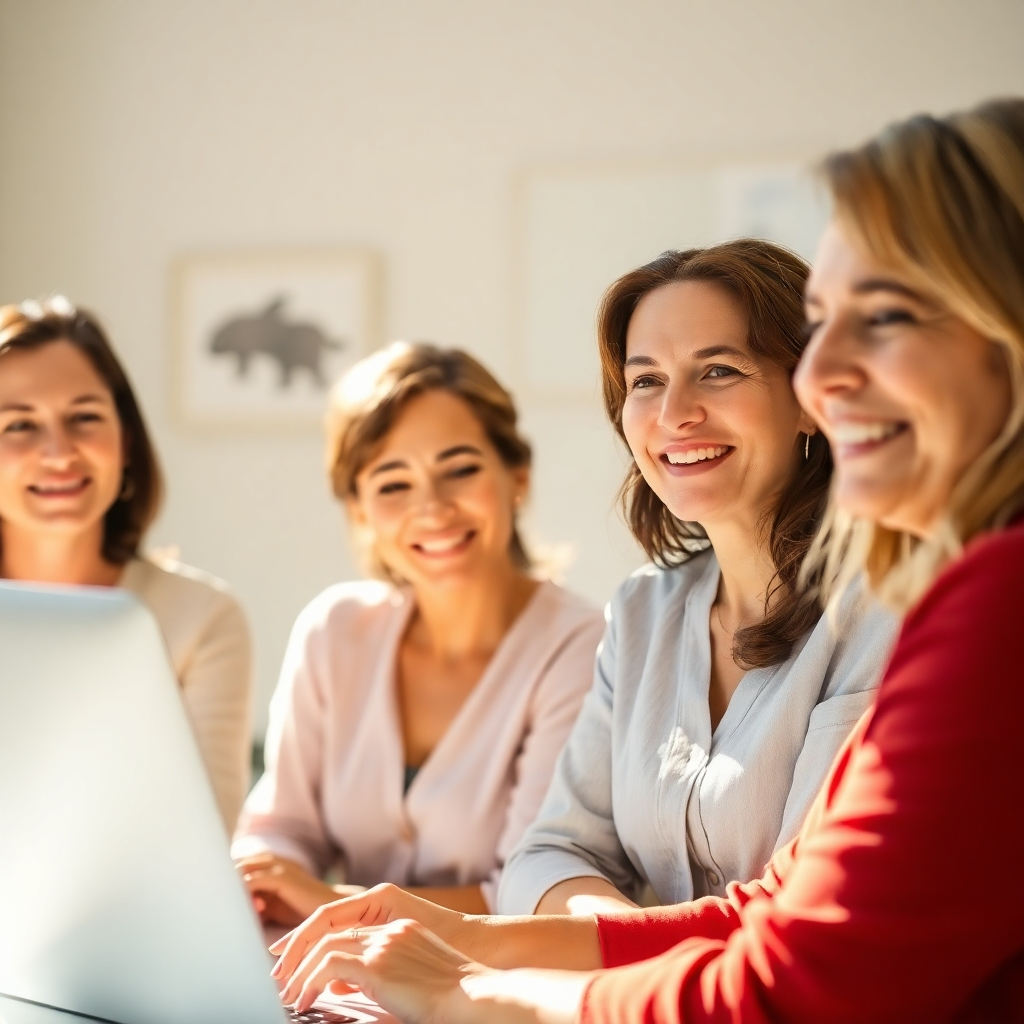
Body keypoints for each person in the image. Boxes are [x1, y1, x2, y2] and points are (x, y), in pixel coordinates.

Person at [268, 96, 1024, 1023]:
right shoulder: (650, 611)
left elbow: (797, 980)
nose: (828, 376)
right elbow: (756, 907)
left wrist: (484, 995)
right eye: (645, 382)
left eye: (887, 316)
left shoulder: (962, 599)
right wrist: (455, 942)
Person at [497, 240, 895, 920]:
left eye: (717, 371)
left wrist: (622, 949)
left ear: (811, 400)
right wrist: (622, 935)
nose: (673, 413)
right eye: (646, 380)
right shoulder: (644, 609)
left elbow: (815, 912)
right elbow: (550, 854)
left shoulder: (894, 603)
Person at [232, 342, 604, 920]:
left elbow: (527, 895)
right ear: (359, 509)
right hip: (336, 987)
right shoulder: (334, 630)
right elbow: (284, 824)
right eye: (392, 484)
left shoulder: (580, 647)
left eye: (460, 469)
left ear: (517, 476)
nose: (432, 508)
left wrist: (334, 904)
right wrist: (258, 873)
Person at [0, 297, 252, 830]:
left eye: (84, 417)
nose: (60, 452)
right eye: (19, 425)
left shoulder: (203, 619)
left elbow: (206, 838)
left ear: (127, 439)